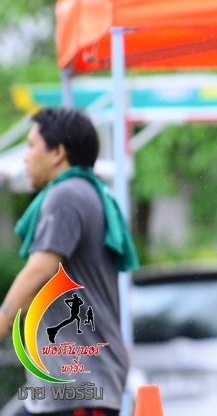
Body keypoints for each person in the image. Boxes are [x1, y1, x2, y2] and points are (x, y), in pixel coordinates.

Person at [0, 107, 138, 416]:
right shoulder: (89, 191)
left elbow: (40, 270)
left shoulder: (67, 194)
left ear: (57, 152)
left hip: (79, 388)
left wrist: (2, 321)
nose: (25, 158)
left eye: (31, 146)